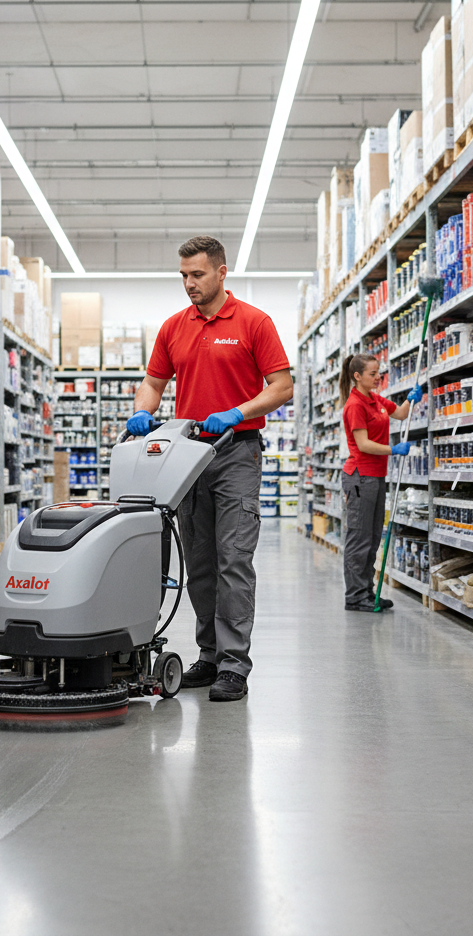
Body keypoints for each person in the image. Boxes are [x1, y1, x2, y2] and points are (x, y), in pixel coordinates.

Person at [125, 235, 292, 702]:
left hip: (236, 452)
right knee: (198, 563)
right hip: (187, 455)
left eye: (196, 274)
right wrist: (143, 408)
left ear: (221, 272)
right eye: (182, 276)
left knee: (233, 560)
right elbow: (153, 383)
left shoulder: (254, 322)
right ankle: (210, 655)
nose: (188, 284)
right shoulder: (173, 327)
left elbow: (282, 387)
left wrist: (239, 411)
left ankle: (235, 664)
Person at [339, 352, 422, 612]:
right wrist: (393, 450)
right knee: (359, 538)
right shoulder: (355, 405)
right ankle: (354, 596)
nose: (378, 378)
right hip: (360, 477)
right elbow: (362, 444)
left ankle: (367, 591)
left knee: (373, 537)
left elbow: (398, 413)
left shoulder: (375, 400)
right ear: (357, 376)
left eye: (379, 373)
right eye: (373, 374)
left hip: (376, 477)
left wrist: (411, 400)